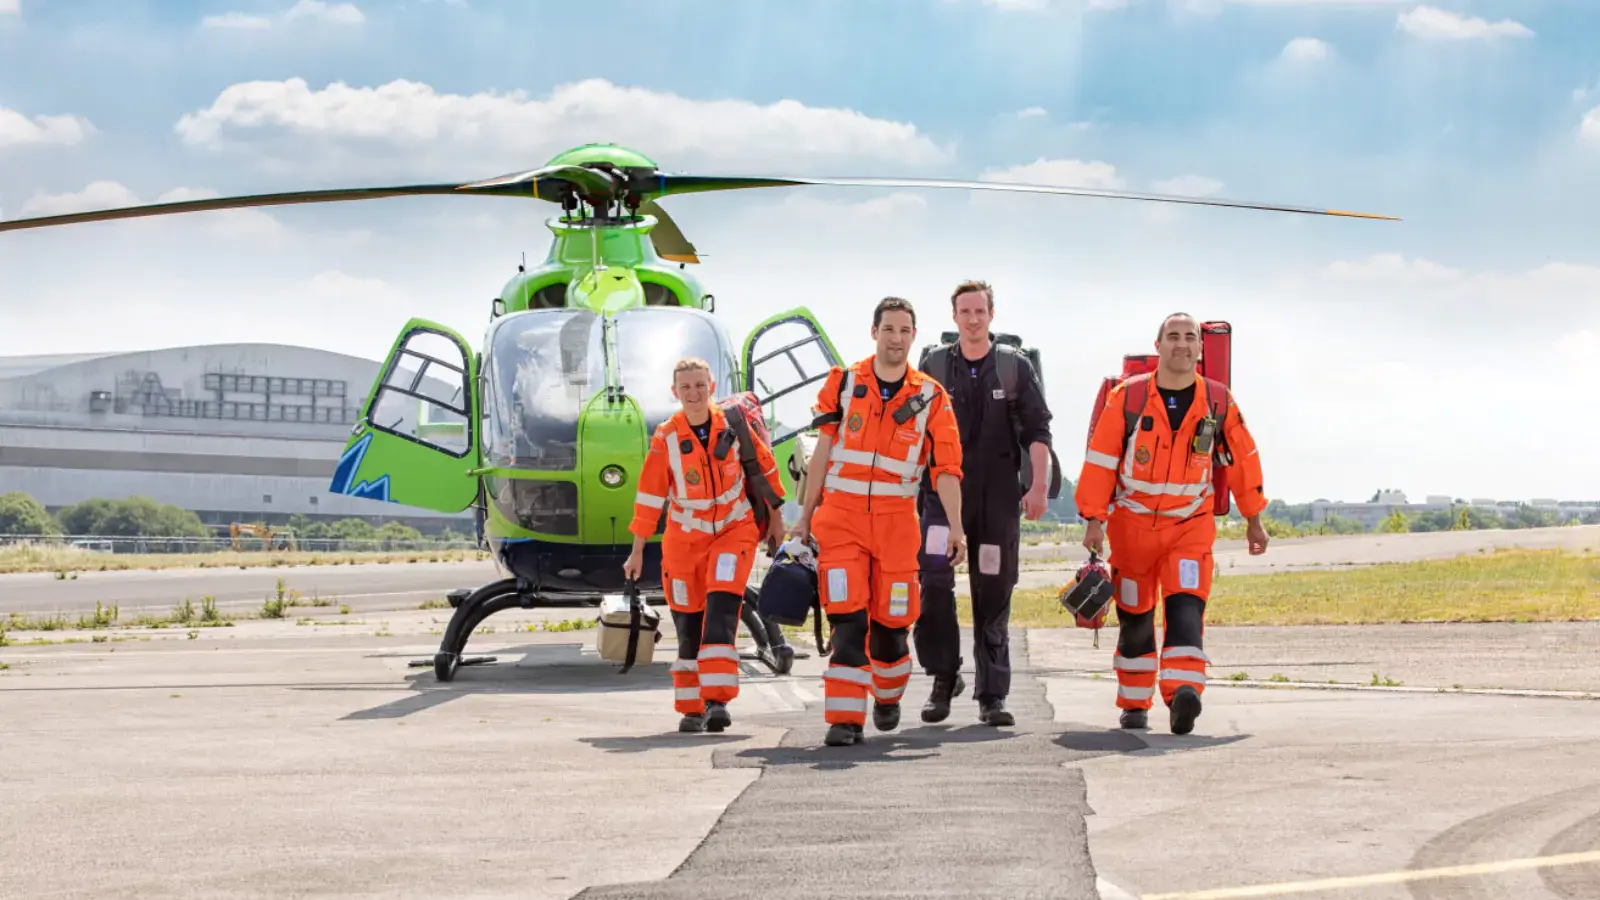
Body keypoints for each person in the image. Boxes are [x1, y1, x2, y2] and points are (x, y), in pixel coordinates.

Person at [1075, 312, 1269, 735]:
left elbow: (1243, 461)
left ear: (1201, 349)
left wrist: (1254, 519)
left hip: (1189, 529)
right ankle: (1133, 703)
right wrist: (1093, 519)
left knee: (1185, 609)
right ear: (1158, 345)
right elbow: (1101, 462)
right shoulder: (1126, 399)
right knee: (1136, 618)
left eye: (1191, 338)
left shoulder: (1219, 402)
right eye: (1174, 336)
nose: (1182, 344)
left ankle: (1184, 693)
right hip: (1131, 530)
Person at [790, 296, 967, 747]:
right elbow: (822, 453)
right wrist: (804, 518)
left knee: (890, 629)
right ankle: (845, 720)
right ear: (874, 332)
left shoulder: (930, 396)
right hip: (841, 519)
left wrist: (957, 528)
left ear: (914, 335)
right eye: (889, 329)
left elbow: (946, 470)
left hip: (896, 525)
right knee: (847, 620)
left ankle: (887, 696)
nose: (897, 338)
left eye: (905, 330)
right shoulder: (844, 383)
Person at [914, 280, 1055, 727]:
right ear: (954, 316)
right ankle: (942, 678)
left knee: (991, 591)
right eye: (965, 312)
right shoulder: (934, 365)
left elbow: (1038, 431)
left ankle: (992, 694)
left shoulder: (1013, 367)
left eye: (980, 311)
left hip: (996, 499)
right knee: (934, 582)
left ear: (991, 315)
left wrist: (1036, 488)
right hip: (941, 497)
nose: (972, 319)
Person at [624, 357, 787, 734]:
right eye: (686, 387)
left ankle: (717, 702)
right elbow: (650, 496)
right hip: (683, 540)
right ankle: (691, 708)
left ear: (711, 385)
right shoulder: (666, 437)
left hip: (734, 529)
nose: (694, 393)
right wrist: (636, 550)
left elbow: (765, 472)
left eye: (700, 385)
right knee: (688, 624)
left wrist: (776, 520)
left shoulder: (733, 424)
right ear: (674, 391)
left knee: (721, 610)